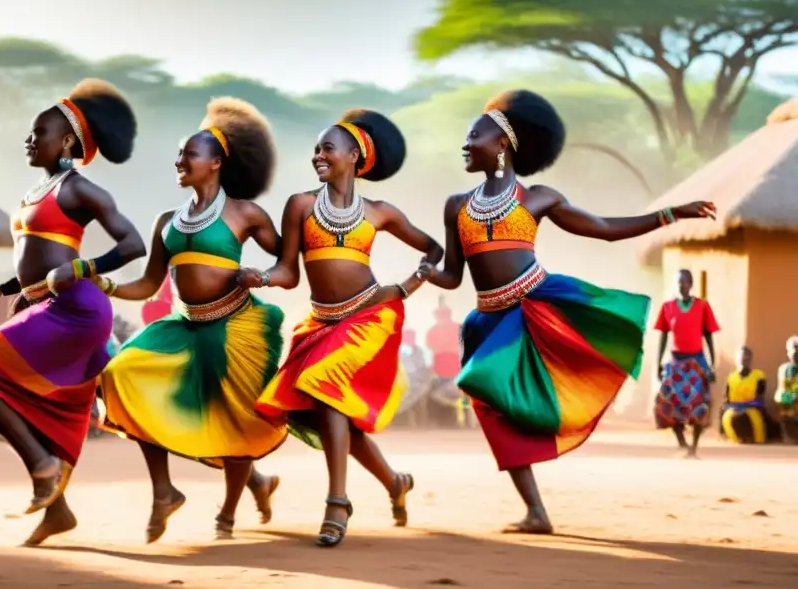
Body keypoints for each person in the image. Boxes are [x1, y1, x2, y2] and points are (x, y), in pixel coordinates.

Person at [425, 90, 716, 535]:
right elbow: (452, 275)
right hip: (485, 321)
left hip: (533, 309)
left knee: (490, 390)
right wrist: (425, 272)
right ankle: (537, 512)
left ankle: (550, 456)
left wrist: (670, 214)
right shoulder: (456, 205)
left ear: (502, 142)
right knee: (492, 410)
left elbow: (602, 229)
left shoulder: (538, 198)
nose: (465, 144)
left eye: (473, 135)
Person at [0, 78, 145, 547]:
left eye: (40, 132)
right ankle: (56, 508)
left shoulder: (82, 190)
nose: (29, 139)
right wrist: (3, 288)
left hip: (77, 308)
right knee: (21, 401)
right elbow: (40, 260)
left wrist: (84, 267)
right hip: (42, 303)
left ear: (66, 143)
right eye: (30, 132)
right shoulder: (33, 194)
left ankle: (43, 468)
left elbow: (133, 243)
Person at [246, 109, 443, 547]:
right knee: (334, 416)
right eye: (316, 148)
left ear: (353, 155)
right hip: (320, 321)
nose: (318, 155)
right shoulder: (300, 205)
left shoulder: (379, 212)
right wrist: (258, 276)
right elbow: (288, 272)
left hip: (371, 318)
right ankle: (395, 483)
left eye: (327, 148)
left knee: (323, 383)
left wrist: (408, 285)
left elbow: (433, 248)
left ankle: (338, 502)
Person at [99, 98, 287, 542]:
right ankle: (164, 491)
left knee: (238, 423)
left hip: (236, 328)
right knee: (120, 374)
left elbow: (289, 264)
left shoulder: (246, 214)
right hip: (183, 327)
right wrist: (105, 285)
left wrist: (261, 276)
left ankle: (230, 510)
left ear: (216, 162)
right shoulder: (166, 221)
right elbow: (146, 285)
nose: (179, 161)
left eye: (189, 154)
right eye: (179, 154)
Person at [653, 269, 720, 457]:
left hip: (696, 363)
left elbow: (708, 336)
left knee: (700, 405)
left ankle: (694, 447)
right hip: (675, 363)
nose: (681, 285)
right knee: (667, 404)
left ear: (691, 284)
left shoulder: (702, 307)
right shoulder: (667, 308)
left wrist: (712, 364)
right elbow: (663, 338)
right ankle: (682, 441)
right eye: (678, 282)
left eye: (684, 282)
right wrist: (658, 363)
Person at [720, 346, 770, 444]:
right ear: (737, 359)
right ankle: (734, 439)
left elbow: (760, 394)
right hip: (734, 406)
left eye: (747, 358)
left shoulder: (759, 375)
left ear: (750, 359)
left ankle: (759, 440)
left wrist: (748, 405)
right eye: (742, 358)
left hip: (752, 406)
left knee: (756, 419)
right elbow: (727, 397)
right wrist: (729, 405)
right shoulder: (731, 377)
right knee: (726, 417)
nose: (744, 360)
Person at [775, 336, 798, 444]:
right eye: (793, 350)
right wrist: (791, 397)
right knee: (784, 408)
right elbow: (781, 392)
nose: (795, 353)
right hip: (790, 403)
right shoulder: (784, 369)